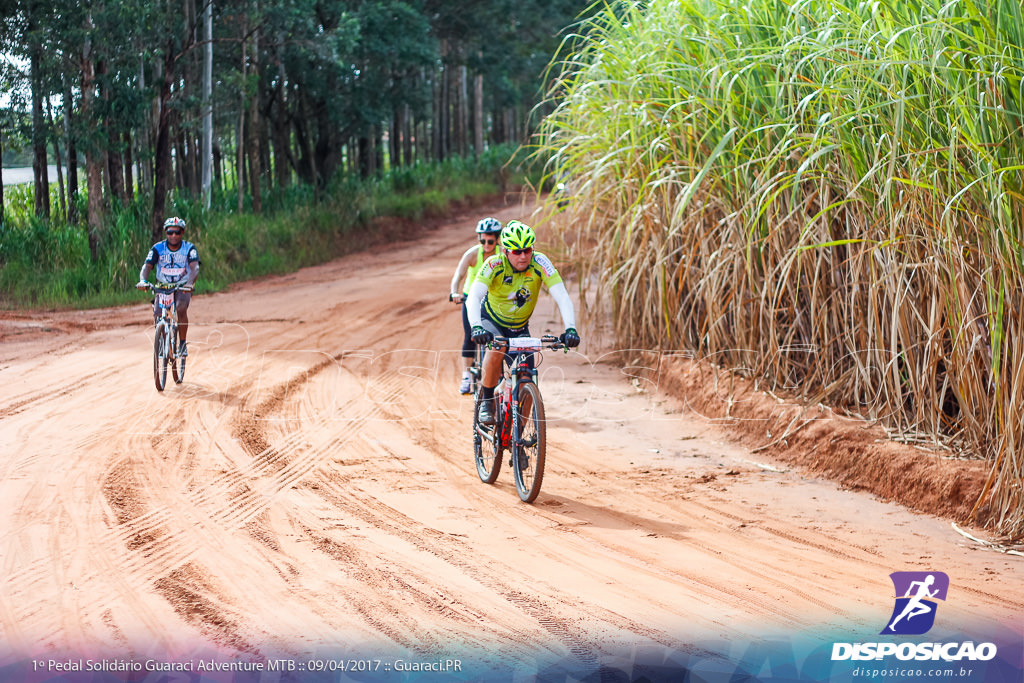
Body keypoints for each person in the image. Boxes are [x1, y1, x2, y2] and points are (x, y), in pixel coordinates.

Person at [465, 220, 580, 424]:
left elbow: (562, 296)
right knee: (496, 348)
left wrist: (570, 329)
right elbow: (473, 296)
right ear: (505, 251)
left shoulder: (540, 262)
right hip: (491, 320)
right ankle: (488, 401)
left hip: (519, 327)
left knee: (528, 374)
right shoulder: (494, 264)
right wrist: (476, 327)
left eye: (527, 250)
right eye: (517, 252)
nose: (524, 256)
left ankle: (520, 440)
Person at [449, 217, 503, 393]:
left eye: (490, 241)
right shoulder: (473, 254)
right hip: (469, 298)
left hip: (491, 300)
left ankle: (497, 374)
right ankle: (467, 376)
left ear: (497, 239)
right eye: (482, 240)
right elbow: (459, 274)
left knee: (497, 336)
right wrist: (454, 292)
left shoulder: (502, 255)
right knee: (470, 336)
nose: (486, 244)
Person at [135, 217, 201, 357]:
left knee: (181, 308)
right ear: (166, 232)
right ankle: (162, 339)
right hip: (163, 285)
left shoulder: (189, 248)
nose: (174, 236)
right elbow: (147, 266)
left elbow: (194, 268)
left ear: (182, 233)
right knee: (158, 314)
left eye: (177, 232)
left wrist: (189, 283)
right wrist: (143, 280)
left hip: (182, 286)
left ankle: (182, 343)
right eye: (170, 232)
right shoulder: (158, 248)